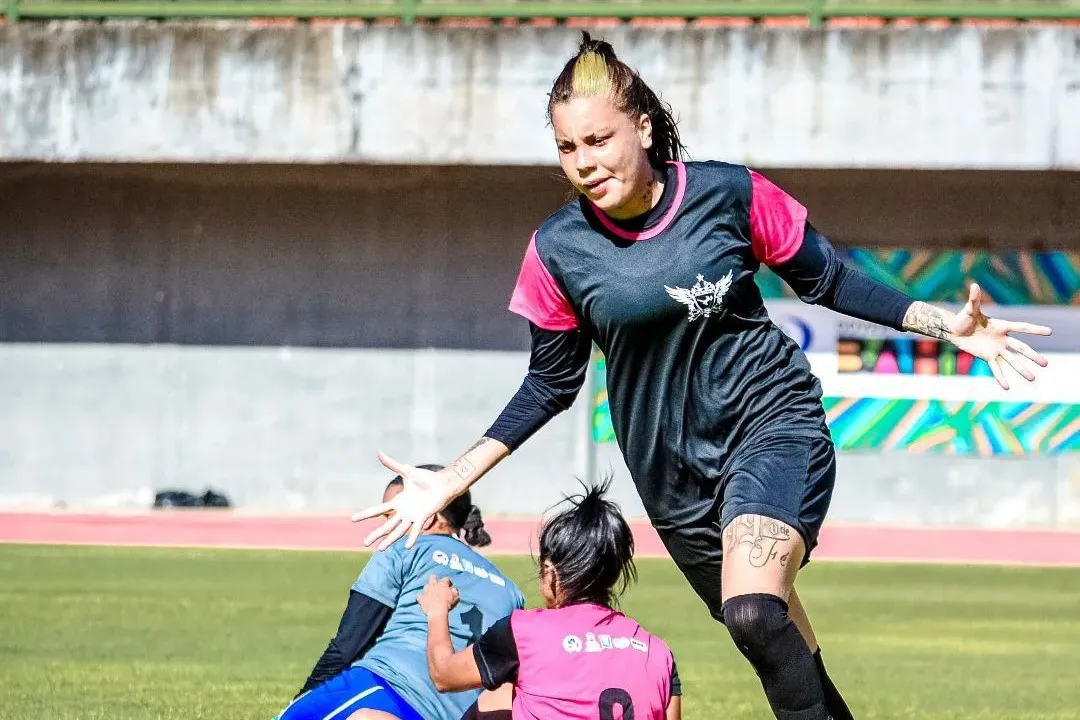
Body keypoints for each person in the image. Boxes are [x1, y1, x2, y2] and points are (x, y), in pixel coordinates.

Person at [353, 33, 1053, 720]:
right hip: (671, 476)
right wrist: (452, 480)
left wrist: (948, 326)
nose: (584, 162)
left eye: (599, 140)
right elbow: (550, 383)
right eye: (568, 148)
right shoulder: (555, 249)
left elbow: (826, 279)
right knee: (773, 637)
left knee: (752, 609)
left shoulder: (728, 193)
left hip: (769, 425)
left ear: (644, 127)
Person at [277, 466, 525, 720]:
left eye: (394, 517)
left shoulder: (406, 548)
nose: (388, 529)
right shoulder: (512, 591)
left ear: (428, 516)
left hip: (386, 686)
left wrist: (299, 703)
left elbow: (348, 642)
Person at [418, 481, 681, 720]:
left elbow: (444, 675)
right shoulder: (658, 653)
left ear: (550, 572)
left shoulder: (523, 632)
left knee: (495, 696)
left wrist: (437, 610)